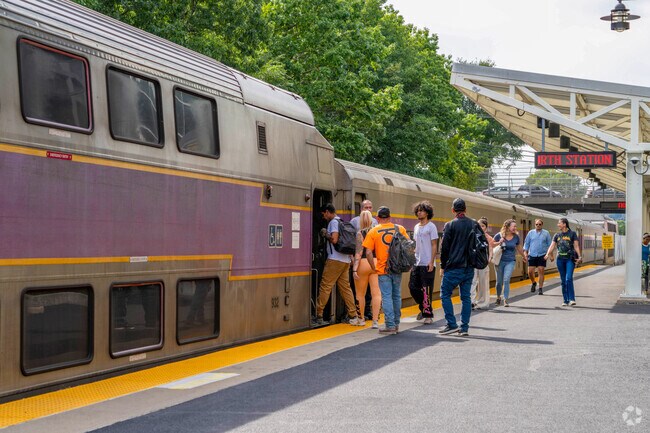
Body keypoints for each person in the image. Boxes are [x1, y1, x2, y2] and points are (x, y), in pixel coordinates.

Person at [313, 203, 364, 326]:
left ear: (327, 212)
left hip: (334, 260)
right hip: (345, 260)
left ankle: (319, 315)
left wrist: (325, 234)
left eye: (324, 214)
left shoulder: (333, 223)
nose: (324, 217)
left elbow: (334, 239)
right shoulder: (342, 221)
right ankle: (353, 316)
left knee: (325, 286)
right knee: (346, 288)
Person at [363, 206, 411, 335]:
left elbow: (368, 252)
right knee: (396, 295)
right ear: (389, 217)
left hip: (383, 269)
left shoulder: (373, 231)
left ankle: (389, 325)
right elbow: (408, 246)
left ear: (378, 218)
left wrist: (373, 266)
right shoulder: (399, 228)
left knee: (387, 297)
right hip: (397, 268)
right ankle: (396, 323)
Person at [438, 198, 475, 336]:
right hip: (469, 267)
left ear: (453, 210)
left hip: (453, 267)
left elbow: (444, 248)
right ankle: (464, 328)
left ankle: (451, 324)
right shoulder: (474, 224)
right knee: (466, 297)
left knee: (445, 294)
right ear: (465, 209)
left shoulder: (450, 225)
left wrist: (442, 266)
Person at [409, 201, 438, 324]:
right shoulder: (416, 227)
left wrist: (431, 261)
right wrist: (411, 260)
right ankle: (425, 308)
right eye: (418, 210)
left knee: (426, 290)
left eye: (421, 210)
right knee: (412, 287)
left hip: (427, 262)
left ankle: (428, 315)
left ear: (427, 212)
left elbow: (434, 244)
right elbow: (416, 245)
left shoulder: (431, 227)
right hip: (417, 262)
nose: (419, 212)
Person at [353, 210, 382, 328]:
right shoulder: (377, 232)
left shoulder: (360, 233)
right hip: (375, 263)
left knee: (360, 294)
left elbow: (358, 253)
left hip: (363, 264)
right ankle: (375, 321)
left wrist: (354, 269)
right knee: (377, 294)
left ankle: (361, 319)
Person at [544, 217, 582, 307]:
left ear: (564, 224)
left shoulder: (572, 234)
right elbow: (552, 246)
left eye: (559, 223)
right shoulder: (557, 235)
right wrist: (547, 254)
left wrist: (579, 256)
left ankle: (572, 299)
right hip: (560, 259)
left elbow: (576, 246)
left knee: (568, 278)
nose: (558, 225)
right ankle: (565, 300)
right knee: (563, 281)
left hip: (570, 259)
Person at [493, 219, 525, 307]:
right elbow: (492, 244)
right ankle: (498, 297)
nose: (515, 228)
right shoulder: (499, 235)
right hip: (499, 261)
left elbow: (518, 247)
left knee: (506, 280)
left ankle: (505, 299)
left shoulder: (516, 237)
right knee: (499, 282)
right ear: (508, 227)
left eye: (515, 226)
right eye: (513, 226)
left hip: (510, 261)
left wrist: (524, 256)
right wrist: (499, 242)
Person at [523, 219, 553, 295]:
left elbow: (550, 245)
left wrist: (551, 255)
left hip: (542, 255)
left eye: (539, 224)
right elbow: (526, 244)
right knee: (530, 272)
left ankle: (540, 288)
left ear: (542, 225)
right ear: (534, 225)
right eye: (537, 224)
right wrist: (525, 253)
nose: (538, 226)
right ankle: (533, 282)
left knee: (541, 270)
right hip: (532, 254)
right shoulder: (530, 233)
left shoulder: (546, 233)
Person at [470, 217, 493, 310]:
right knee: (473, 281)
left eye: (482, 226)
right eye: (479, 225)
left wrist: (489, 258)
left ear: (486, 228)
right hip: (474, 262)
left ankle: (482, 302)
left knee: (483, 282)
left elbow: (490, 249)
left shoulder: (488, 238)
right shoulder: (472, 236)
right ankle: (471, 301)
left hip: (484, 263)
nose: (480, 227)